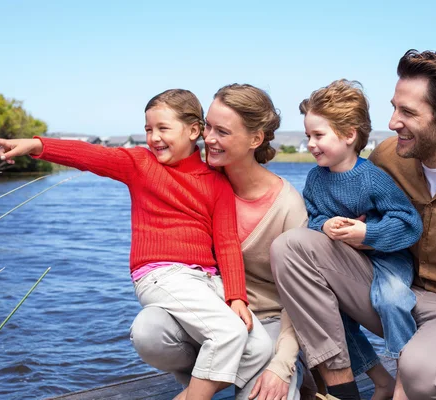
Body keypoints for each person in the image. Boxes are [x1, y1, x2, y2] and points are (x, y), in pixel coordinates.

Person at [272, 49, 436, 400]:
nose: (393, 122)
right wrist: (351, 233)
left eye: (407, 112)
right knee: (291, 247)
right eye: (394, 107)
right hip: (390, 287)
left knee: (420, 373)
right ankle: (342, 390)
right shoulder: (388, 156)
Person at [0, 89, 272, 400]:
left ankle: (189, 393)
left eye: (163, 128)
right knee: (227, 333)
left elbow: (227, 242)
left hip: (206, 279)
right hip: (162, 273)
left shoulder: (217, 182)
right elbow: (89, 155)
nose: (153, 137)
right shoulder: (140, 164)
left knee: (260, 347)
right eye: (149, 129)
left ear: (193, 131)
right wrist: (38, 145)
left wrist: (236, 297)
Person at [130, 83, 315, 400]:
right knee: (149, 329)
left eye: (222, 132)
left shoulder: (287, 205)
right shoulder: (197, 183)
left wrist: (281, 365)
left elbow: (301, 300)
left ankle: (207, 388)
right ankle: (207, 380)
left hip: (268, 325)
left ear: (255, 140)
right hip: (213, 317)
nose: (209, 138)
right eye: (209, 127)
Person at [272, 79, 422, 400]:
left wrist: (367, 233)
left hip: (387, 261)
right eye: (308, 135)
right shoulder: (315, 178)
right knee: (334, 315)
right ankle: (380, 379)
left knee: (392, 299)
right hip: (347, 263)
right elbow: (314, 217)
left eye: (318, 135)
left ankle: (408, 376)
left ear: (349, 135)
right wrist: (325, 226)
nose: (310, 144)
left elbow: (408, 224)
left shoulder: (372, 178)